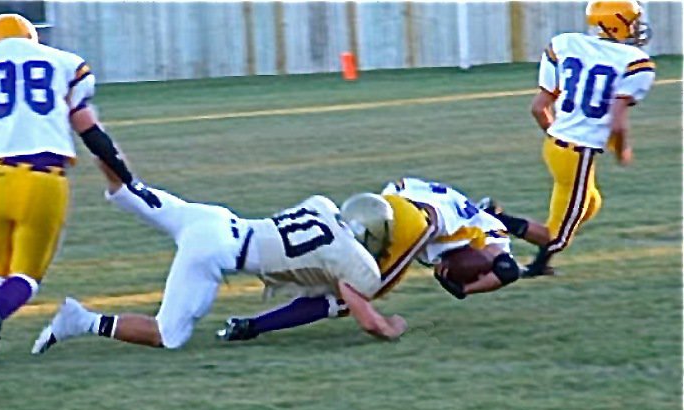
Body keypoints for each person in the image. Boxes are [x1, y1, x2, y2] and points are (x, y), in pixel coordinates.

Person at [31, 161, 407, 355]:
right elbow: (365, 317)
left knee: (128, 189)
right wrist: (388, 327)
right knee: (168, 335)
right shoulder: (353, 260)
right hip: (215, 249)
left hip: (213, 217)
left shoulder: (321, 205)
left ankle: (91, 136)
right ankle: (80, 321)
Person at [0, 14, 160, 372]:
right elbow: (91, 133)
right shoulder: (62, 62)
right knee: (26, 275)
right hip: (42, 178)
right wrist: (128, 178)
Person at [217, 177, 520, 341]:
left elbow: (513, 266)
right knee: (350, 292)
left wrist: (463, 287)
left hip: (405, 211)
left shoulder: (459, 219)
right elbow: (507, 270)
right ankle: (251, 326)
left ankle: (251, 320)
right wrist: (385, 325)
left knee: (343, 282)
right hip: (417, 222)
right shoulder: (490, 236)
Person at [480, 0, 656, 278]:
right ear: (618, 23)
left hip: (557, 147)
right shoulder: (635, 63)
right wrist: (623, 151)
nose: (636, 27)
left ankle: (540, 265)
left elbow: (539, 107)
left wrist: (558, 136)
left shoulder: (566, 44)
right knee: (556, 236)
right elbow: (618, 123)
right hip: (579, 152)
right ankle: (492, 218)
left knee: (589, 204)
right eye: (632, 21)